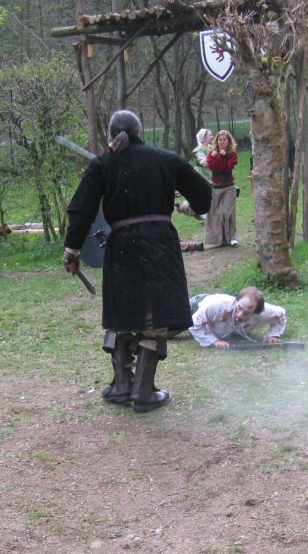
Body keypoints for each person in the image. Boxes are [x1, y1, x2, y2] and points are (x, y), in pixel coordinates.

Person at [62, 110, 212, 413]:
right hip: (159, 244)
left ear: (110, 134)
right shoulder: (166, 159)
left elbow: (81, 211)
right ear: (139, 131)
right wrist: (186, 203)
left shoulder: (102, 164)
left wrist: (72, 251)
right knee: (152, 317)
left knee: (122, 313)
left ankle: (122, 386)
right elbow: (204, 196)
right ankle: (142, 390)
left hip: (121, 246)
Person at [188, 287, 288, 348]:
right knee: (178, 327)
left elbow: (281, 314)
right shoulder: (218, 306)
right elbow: (193, 323)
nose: (239, 315)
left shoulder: (264, 311)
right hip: (196, 305)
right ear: (237, 300)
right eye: (239, 308)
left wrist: (273, 335)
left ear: (255, 312)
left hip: (216, 320)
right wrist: (214, 341)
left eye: (246, 313)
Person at [205, 129, 239, 248]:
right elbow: (214, 167)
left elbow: (227, 168)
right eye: (220, 140)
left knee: (228, 212)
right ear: (217, 141)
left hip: (229, 187)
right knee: (216, 214)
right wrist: (218, 156)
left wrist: (222, 156)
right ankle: (220, 239)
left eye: (224, 140)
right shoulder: (212, 154)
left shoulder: (232, 154)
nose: (222, 142)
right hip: (216, 188)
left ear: (228, 141)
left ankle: (232, 238)